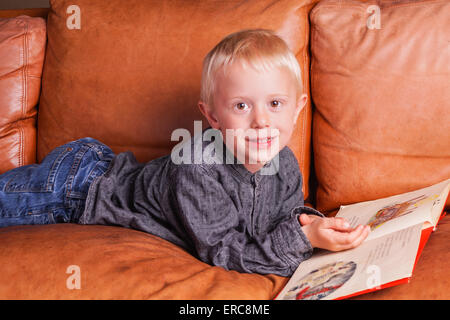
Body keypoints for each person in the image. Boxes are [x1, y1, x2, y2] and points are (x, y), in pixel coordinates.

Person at [0, 29, 370, 277]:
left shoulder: (285, 163)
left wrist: (312, 225)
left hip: (102, 167)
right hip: (77, 187)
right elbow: (224, 253)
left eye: (275, 103)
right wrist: (304, 240)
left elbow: (282, 217)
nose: (261, 121)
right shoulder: (197, 166)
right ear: (211, 116)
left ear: (297, 108)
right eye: (241, 106)